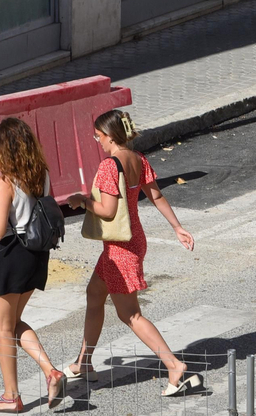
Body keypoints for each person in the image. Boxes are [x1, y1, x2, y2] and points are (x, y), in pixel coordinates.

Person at [62, 109, 202, 396]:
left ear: (110, 135)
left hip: (120, 246)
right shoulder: (138, 159)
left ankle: (174, 366)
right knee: (94, 294)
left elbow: (107, 211)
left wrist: (82, 201)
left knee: (131, 314)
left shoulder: (109, 166)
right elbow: (157, 195)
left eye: (98, 136)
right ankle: (84, 362)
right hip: (133, 238)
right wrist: (177, 227)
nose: (97, 141)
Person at [0, 117, 65, 413]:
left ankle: (11, 396)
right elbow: (32, 211)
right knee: (13, 324)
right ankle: (51, 371)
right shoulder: (42, 174)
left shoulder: (6, 181)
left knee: (3, 328)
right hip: (37, 255)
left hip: (11, 255)